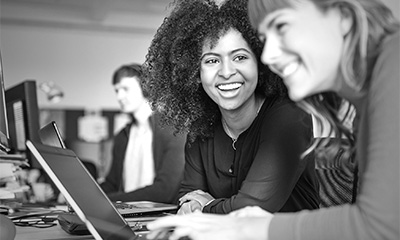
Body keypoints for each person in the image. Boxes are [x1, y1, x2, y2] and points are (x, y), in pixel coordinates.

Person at [145, 0, 400, 239]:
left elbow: (379, 225)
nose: (268, 56)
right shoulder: (368, 98)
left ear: (343, 17)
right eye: (265, 39)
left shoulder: (393, 65)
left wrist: (250, 225)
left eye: (282, 26)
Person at [142, 0, 320, 215]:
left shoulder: (289, 116)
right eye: (211, 61)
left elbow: (253, 208)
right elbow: (188, 197)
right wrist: (194, 206)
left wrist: (206, 206)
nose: (226, 72)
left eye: (240, 57)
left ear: (260, 64)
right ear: (194, 73)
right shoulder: (201, 128)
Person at [99, 63, 186, 204]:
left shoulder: (172, 130)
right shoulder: (122, 136)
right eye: (117, 91)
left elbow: (165, 191)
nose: (120, 97)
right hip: (125, 215)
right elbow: (112, 184)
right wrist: (83, 197)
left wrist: (108, 201)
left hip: (160, 217)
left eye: (125, 89)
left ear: (145, 88)